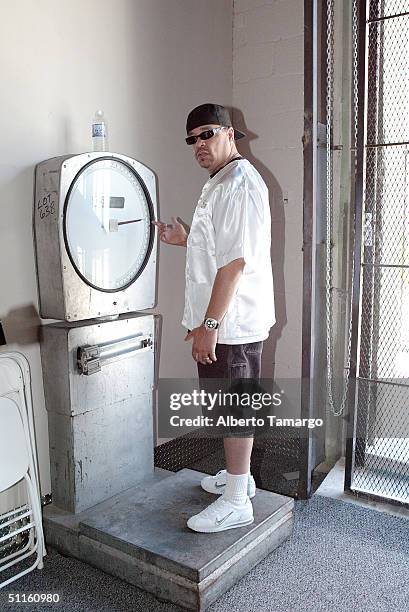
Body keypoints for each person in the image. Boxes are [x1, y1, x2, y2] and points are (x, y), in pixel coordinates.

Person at [154, 103, 275, 533]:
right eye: (193, 139)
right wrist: (187, 239)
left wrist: (209, 326)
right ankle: (238, 476)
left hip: (231, 322)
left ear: (230, 133)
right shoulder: (221, 181)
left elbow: (235, 263)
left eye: (207, 134)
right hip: (226, 319)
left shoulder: (238, 183)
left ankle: (238, 499)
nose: (199, 145)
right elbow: (220, 250)